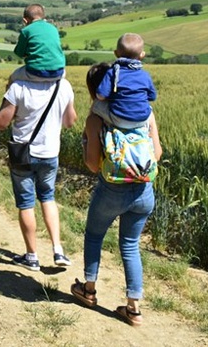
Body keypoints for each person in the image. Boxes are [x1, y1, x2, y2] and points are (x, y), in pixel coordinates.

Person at [70, 63, 162, 327]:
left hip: (111, 191)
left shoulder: (96, 117)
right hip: (144, 190)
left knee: (95, 235)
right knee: (131, 245)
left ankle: (88, 291)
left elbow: (90, 163)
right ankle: (133, 310)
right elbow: (157, 154)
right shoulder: (146, 114)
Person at [0, 76, 77, 270]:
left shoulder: (18, 87)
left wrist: (6, 99)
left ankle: (32, 257)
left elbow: (1, 122)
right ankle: (58, 250)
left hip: (23, 154)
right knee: (48, 197)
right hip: (50, 154)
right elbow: (70, 122)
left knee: (26, 203)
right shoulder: (64, 85)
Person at [93, 33, 157, 129]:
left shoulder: (113, 72)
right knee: (149, 108)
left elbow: (100, 96)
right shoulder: (145, 75)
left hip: (119, 119)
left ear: (116, 53)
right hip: (142, 120)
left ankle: (90, 135)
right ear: (142, 55)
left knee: (96, 104)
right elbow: (152, 97)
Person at [9, 4, 66, 85]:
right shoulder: (53, 28)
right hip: (59, 71)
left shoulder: (26, 31)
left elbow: (19, 53)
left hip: (35, 71)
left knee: (12, 78)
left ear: (25, 20)